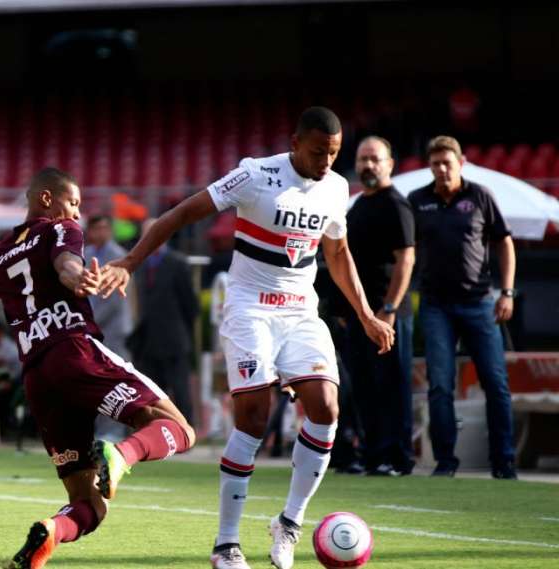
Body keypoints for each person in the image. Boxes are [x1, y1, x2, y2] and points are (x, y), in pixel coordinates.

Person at [99, 107, 394, 569]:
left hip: (301, 313)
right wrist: (132, 261)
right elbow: (181, 214)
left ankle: (289, 524)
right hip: (249, 309)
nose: (326, 162)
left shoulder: (336, 188)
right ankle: (226, 544)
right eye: (318, 152)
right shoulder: (255, 175)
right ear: (295, 142)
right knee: (254, 417)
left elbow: (337, 254)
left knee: (326, 407)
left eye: (334, 154)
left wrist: (366, 315)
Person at [0, 167, 196, 569]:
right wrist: (78, 279)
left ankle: (49, 534)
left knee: (88, 504)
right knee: (179, 429)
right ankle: (120, 455)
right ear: (47, 199)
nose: (77, 214)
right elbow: (66, 265)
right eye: (73, 203)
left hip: (38, 377)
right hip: (73, 352)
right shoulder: (58, 230)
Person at [408, 135, 517, 480]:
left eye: (447, 163)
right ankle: (445, 462)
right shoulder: (417, 200)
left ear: (461, 163)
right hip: (435, 305)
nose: (441, 169)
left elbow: (505, 244)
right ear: (429, 166)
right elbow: (405, 251)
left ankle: (504, 462)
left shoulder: (481, 195)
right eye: (435, 163)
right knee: (440, 384)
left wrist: (508, 292)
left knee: (496, 383)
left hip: (480, 302)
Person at [343, 136, 416, 476]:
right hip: (361, 315)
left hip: (387, 314)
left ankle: (398, 458)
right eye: (362, 159)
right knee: (364, 386)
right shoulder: (357, 206)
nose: (368, 165)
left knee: (393, 385)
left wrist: (388, 308)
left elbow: (406, 260)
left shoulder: (395, 205)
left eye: (374, 159)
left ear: (389, 164)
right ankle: (372, 455)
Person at [127, 217, 199, 426]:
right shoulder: (140, 265)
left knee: (180, 390)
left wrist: (181, 333)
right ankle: (157, 433)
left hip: (174, 340)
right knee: (152, 394)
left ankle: (187, 432)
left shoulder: (177, 263)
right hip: (148, 341)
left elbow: (190, 306)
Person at [84, 215, 134, 440]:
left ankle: (113, 431)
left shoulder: (118, 257)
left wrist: (88, 323)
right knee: (92, 383)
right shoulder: (85, 256)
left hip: (112, 331)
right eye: (98, 229)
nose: (102, 233)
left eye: (105, 228)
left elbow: (114, 301)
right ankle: (96, 431)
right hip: (91, 331)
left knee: (115, 382)